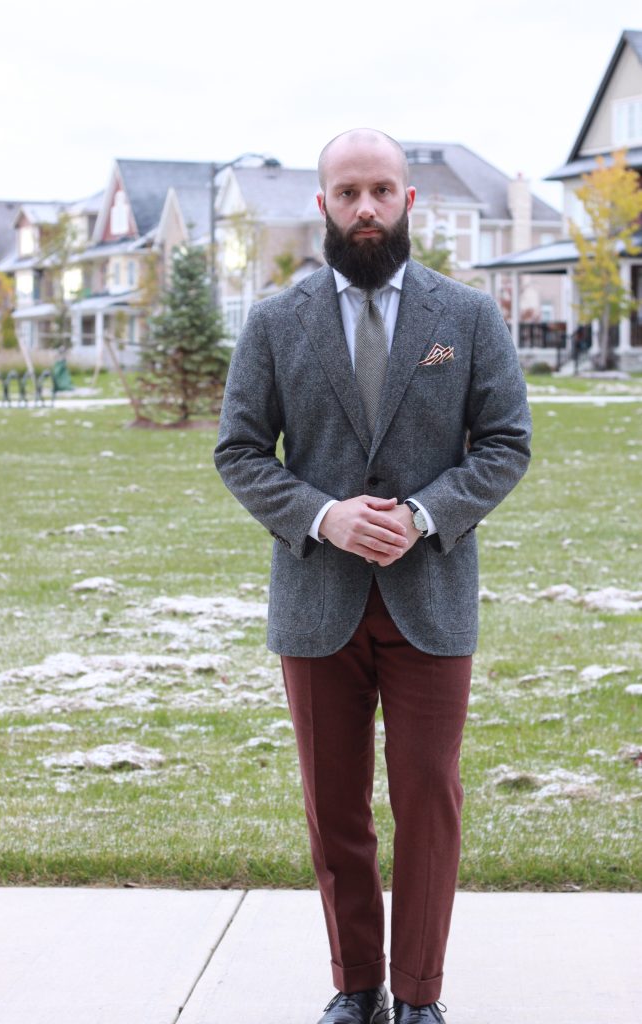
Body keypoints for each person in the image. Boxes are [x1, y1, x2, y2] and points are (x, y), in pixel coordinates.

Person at [214, 128, 531, 1024]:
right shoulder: (277, 322)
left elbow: (506, 442)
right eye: (347, 192)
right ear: (321, 203)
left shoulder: (465, 319)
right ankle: (355, 988)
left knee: (428, 805)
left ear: (408, 202)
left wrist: (423, 513)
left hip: (431, 599)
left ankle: (420, 996)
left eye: (380, 191)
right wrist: (325, 515)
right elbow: (240, 451)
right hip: (317, 603)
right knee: (335, 809)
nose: (364, 208)